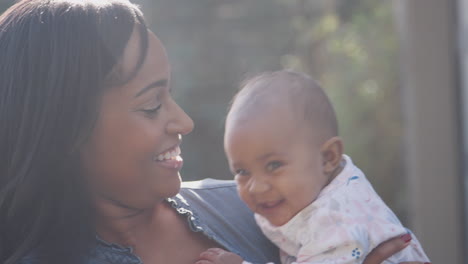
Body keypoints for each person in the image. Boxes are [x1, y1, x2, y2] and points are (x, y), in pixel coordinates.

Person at [0, 1, 426, 264]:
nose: (184, 122)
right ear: (66, 132)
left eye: (171, 95)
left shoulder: (262, 210)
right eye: (151, 104)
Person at [197, 71, 430, 264]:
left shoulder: (336, 222)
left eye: (274, 165)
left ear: (328, 157)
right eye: (242, 172)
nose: (256, 187)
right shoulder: (323, 185)